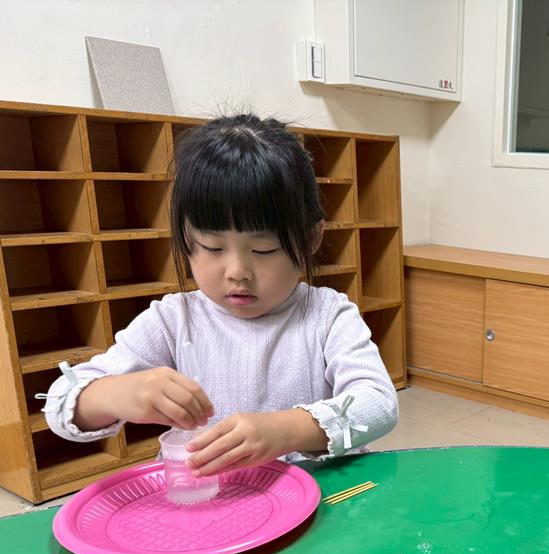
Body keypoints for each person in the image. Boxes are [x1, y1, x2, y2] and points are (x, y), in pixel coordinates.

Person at [44, 114, 398, 475]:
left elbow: (378, 404)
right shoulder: (172, 320)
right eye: (212, 247)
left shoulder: (327, 315)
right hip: (214, 501)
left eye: (263, 250)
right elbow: (59, 403)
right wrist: (114, 394)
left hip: (318, 497)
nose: (237, 271)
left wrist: (288, 430)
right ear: (186, 239)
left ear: (311, 239)